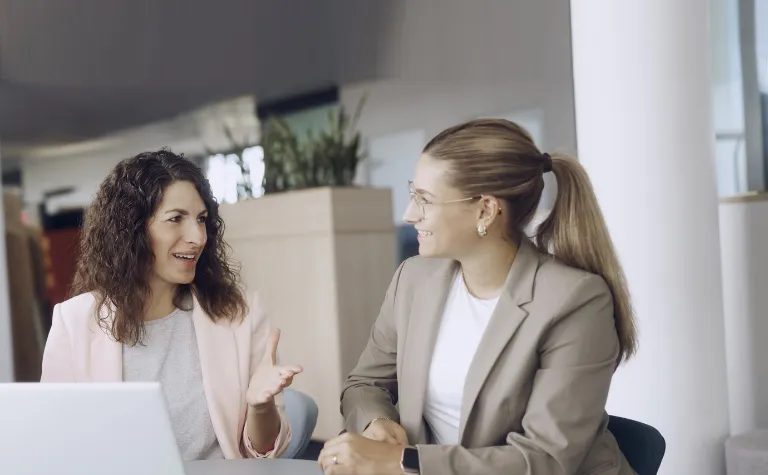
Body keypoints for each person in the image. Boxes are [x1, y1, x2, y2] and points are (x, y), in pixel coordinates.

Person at [319, 119, 638, 475]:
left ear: (485, 210)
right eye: (413, 195)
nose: (410, 215)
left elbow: (545, 460)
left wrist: (406, 462)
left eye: (425, 200)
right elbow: (364, 384)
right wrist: (373, 422)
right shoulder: (412, 280)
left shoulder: (575, 302)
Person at [41, 150, 303, 461]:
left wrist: (261, 407)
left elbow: (262, 453)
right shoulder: (75, 321)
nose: (197, 237)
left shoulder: (239, 316)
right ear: (133, 230)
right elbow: (54, 441)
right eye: (176, 219)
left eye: (202, 220)